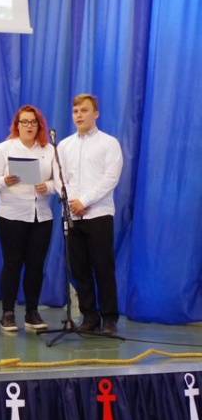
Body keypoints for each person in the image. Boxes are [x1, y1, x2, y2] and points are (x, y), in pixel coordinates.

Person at [57, 94, 123, 335]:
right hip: (73, 216)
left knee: (103, 267)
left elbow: (110, 178)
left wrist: (85, 201)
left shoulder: (109, 143)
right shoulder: (64, 146)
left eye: (84, 110)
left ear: (96, 114)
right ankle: (89, 316)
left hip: (99, 214)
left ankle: (109, 318)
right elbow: (59, 177)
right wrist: (72, 202)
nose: (79, 115)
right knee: (80, 269)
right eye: (76, 111)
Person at [0, 105, 56, 332]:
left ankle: (32, 312)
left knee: (36, 265)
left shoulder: (49, 150)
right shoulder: (3, 149)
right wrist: (4, 181)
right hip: (11, 214)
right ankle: (7, 313)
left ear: (39, 125)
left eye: (33, 122)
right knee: (13, 263)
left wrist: (48, 186)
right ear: (17, 125)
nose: (29, 126)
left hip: (41, 215)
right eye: (24, 122)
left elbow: (60, 181)